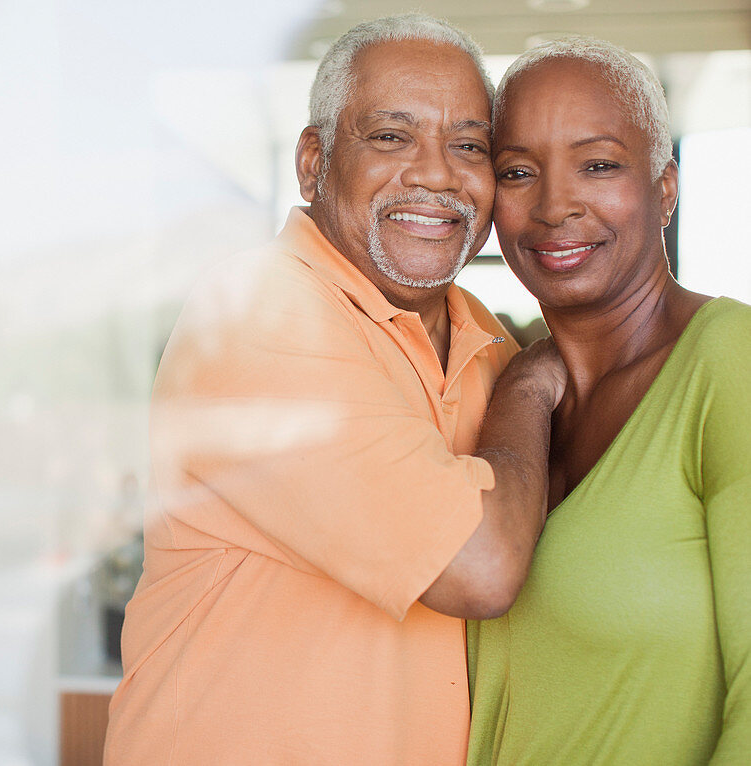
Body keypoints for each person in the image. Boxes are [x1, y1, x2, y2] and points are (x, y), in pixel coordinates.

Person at [104, 14, 566, 765]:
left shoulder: (479, 332)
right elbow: (479, 566)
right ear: (313, 162)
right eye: (391, 137)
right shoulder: (257, 309)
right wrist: (537, 374)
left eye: (469, 145)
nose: (437, 174)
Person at [466, 37, 751, 765]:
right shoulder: (504, 401)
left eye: (599, 164)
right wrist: (526, 387)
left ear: (666, 188)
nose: (556, 203)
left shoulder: (728, 359)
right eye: (519, 171)